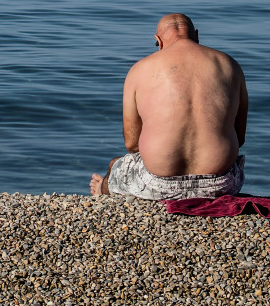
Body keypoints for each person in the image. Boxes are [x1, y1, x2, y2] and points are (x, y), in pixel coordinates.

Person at [89, 13, 248, 199]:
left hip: (158, 184)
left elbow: (132, 144)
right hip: (220, 185)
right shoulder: (230, 65)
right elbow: (240, 137)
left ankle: (103, 188)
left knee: (115, 165)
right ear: (196, 36)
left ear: (158, 41)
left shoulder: (139, 70)